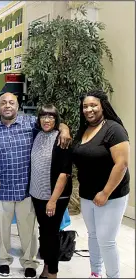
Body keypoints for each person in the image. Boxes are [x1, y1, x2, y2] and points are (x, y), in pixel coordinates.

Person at [0, 93, 71, 278]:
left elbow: (52, 121)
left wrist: (65, 129)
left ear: (17, 105)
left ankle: (29, 262)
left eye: (11, 102)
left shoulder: (31, 124)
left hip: (27, 189)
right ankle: (3, 259)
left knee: (28, 231)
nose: (7, 106)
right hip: (1, 188)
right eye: (3, 103)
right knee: (1, 231)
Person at [72, 90, 130, 279]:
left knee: (106, 240)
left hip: (111, 194)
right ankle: (95, 273)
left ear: (103, 106)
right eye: (85, 106)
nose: (89, 109)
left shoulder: (114, 129)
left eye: (93, 105)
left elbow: (121, 164)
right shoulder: (84, 129)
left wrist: (105, 192)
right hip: (88, 193)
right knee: (93, 236)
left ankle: (113, 276)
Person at [29, 104, 72, 279]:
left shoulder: (62, 140)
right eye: (43, 116)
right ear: (39, 119)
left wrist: (52, 200)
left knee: (52, 234)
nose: (47, 120)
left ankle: (52, 273)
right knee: (44, 232)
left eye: (51, 117)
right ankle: (46, 268)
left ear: (56, 120)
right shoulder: (37, 134)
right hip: (37, 194)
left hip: (55, 197)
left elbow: (64, 173)